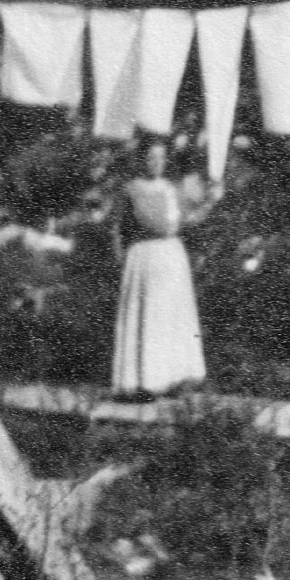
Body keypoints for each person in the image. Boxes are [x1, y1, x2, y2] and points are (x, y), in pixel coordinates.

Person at [111, 138, 220, 397]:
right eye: (150, 158)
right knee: (147, 315)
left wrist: (209, 203)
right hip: (143, 257)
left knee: (171, 316)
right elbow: (116, 227)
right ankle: (143, 382)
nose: (156, 163)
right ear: (141, 160)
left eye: (160, 158)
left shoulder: (173, 189)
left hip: (171, 256)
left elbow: (187, 220)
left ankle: (174, 379)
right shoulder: (130, 189)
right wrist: (119, 258)